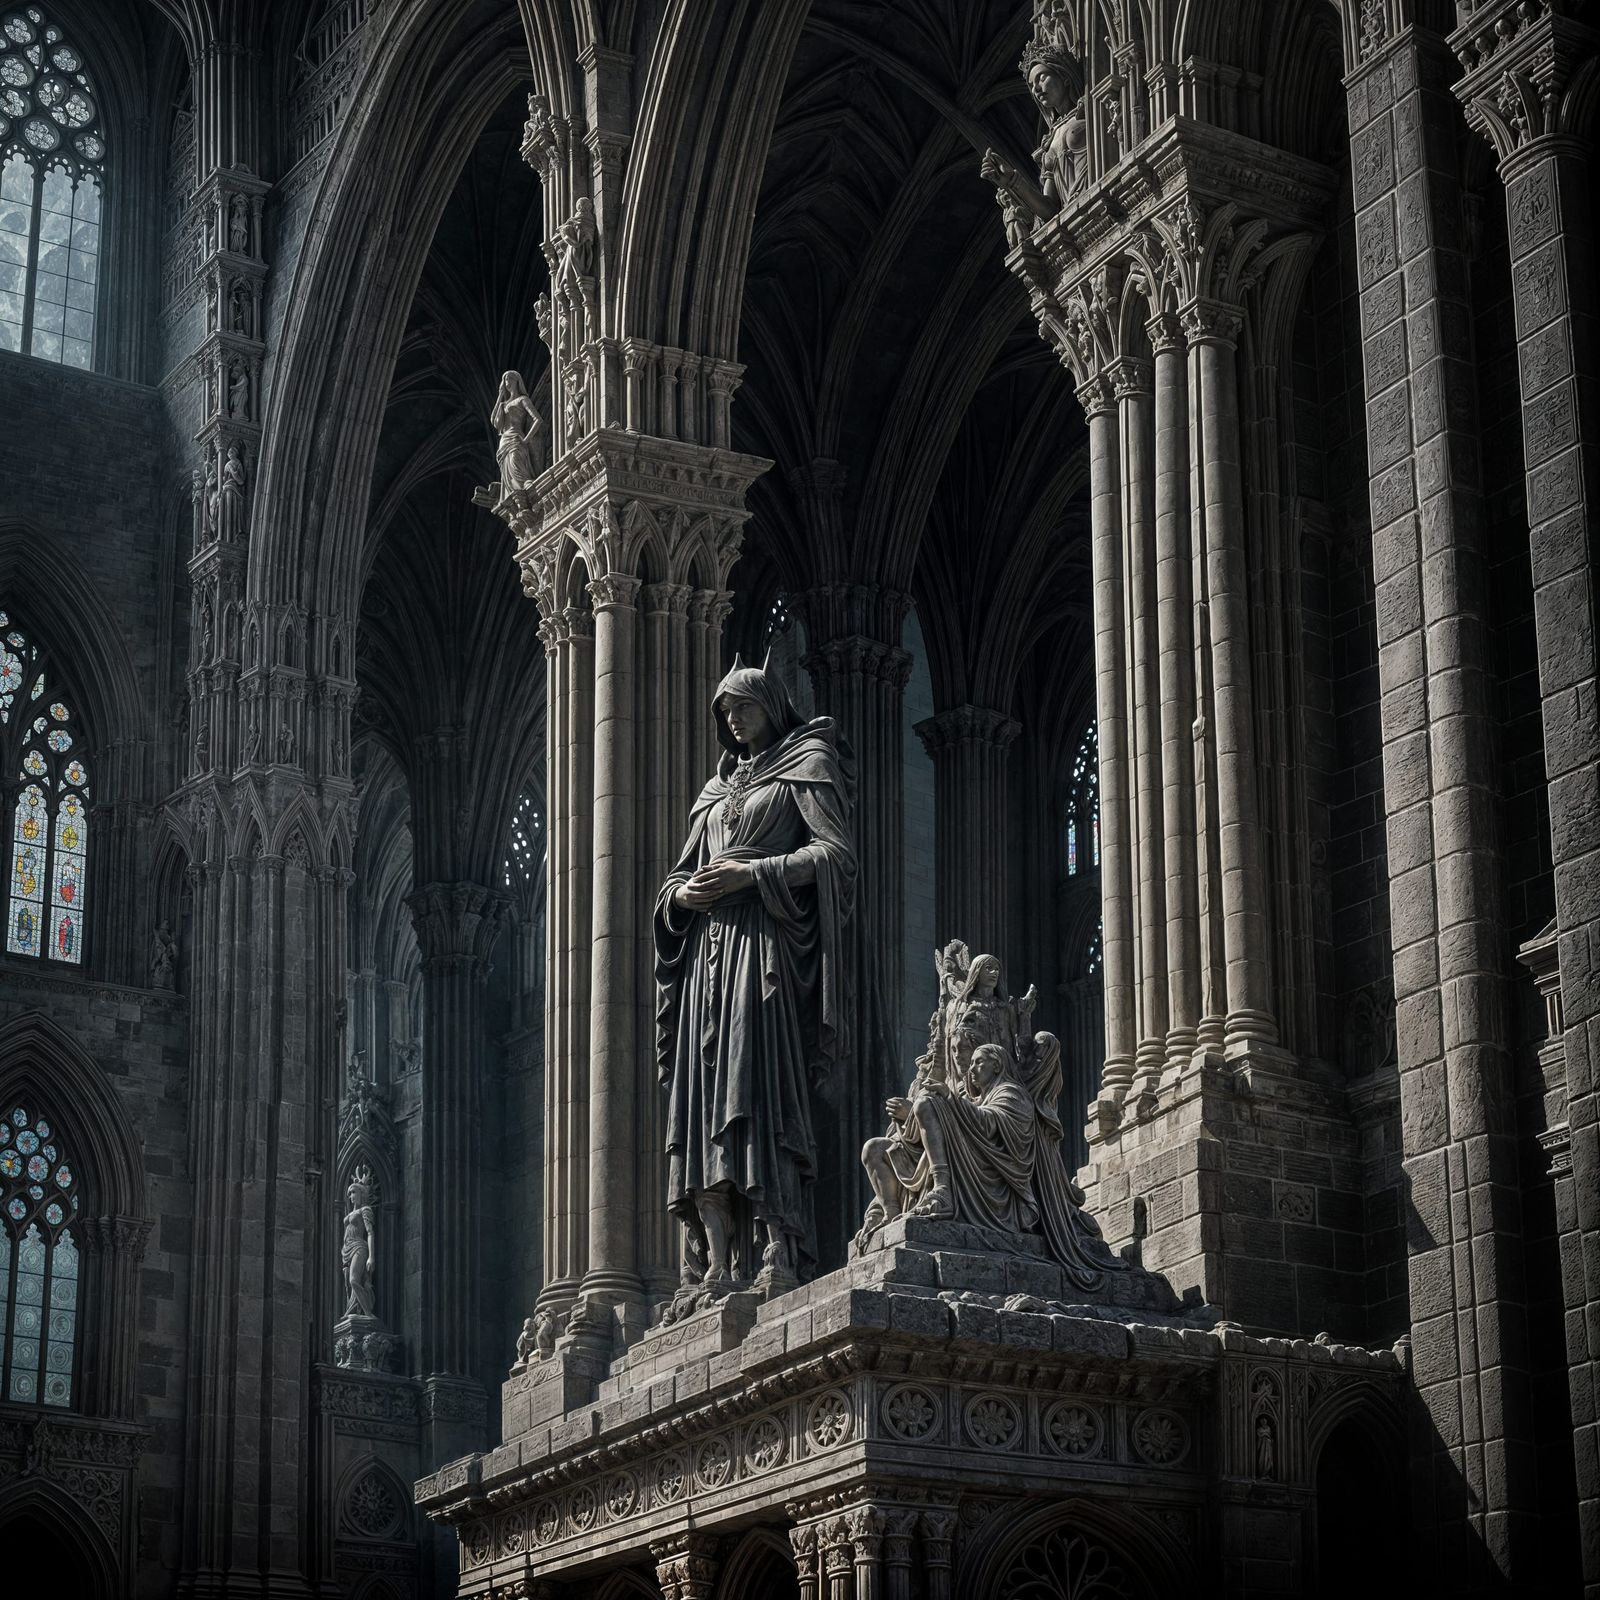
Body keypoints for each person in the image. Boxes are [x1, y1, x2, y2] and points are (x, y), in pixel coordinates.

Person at [654, 657, 857, 1309]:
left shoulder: (808, 759)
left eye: (742, 706)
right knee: (706, 1104)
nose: (733, 721)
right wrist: (680, 896)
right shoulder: (716, 792)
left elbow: (834, 855)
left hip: (762, 948)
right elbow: (678, 877)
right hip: (706, 963)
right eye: (725, 713)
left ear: (771, 702)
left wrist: (752, 875)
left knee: (758, 1089)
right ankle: (716, 1266)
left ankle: (778, 1246)